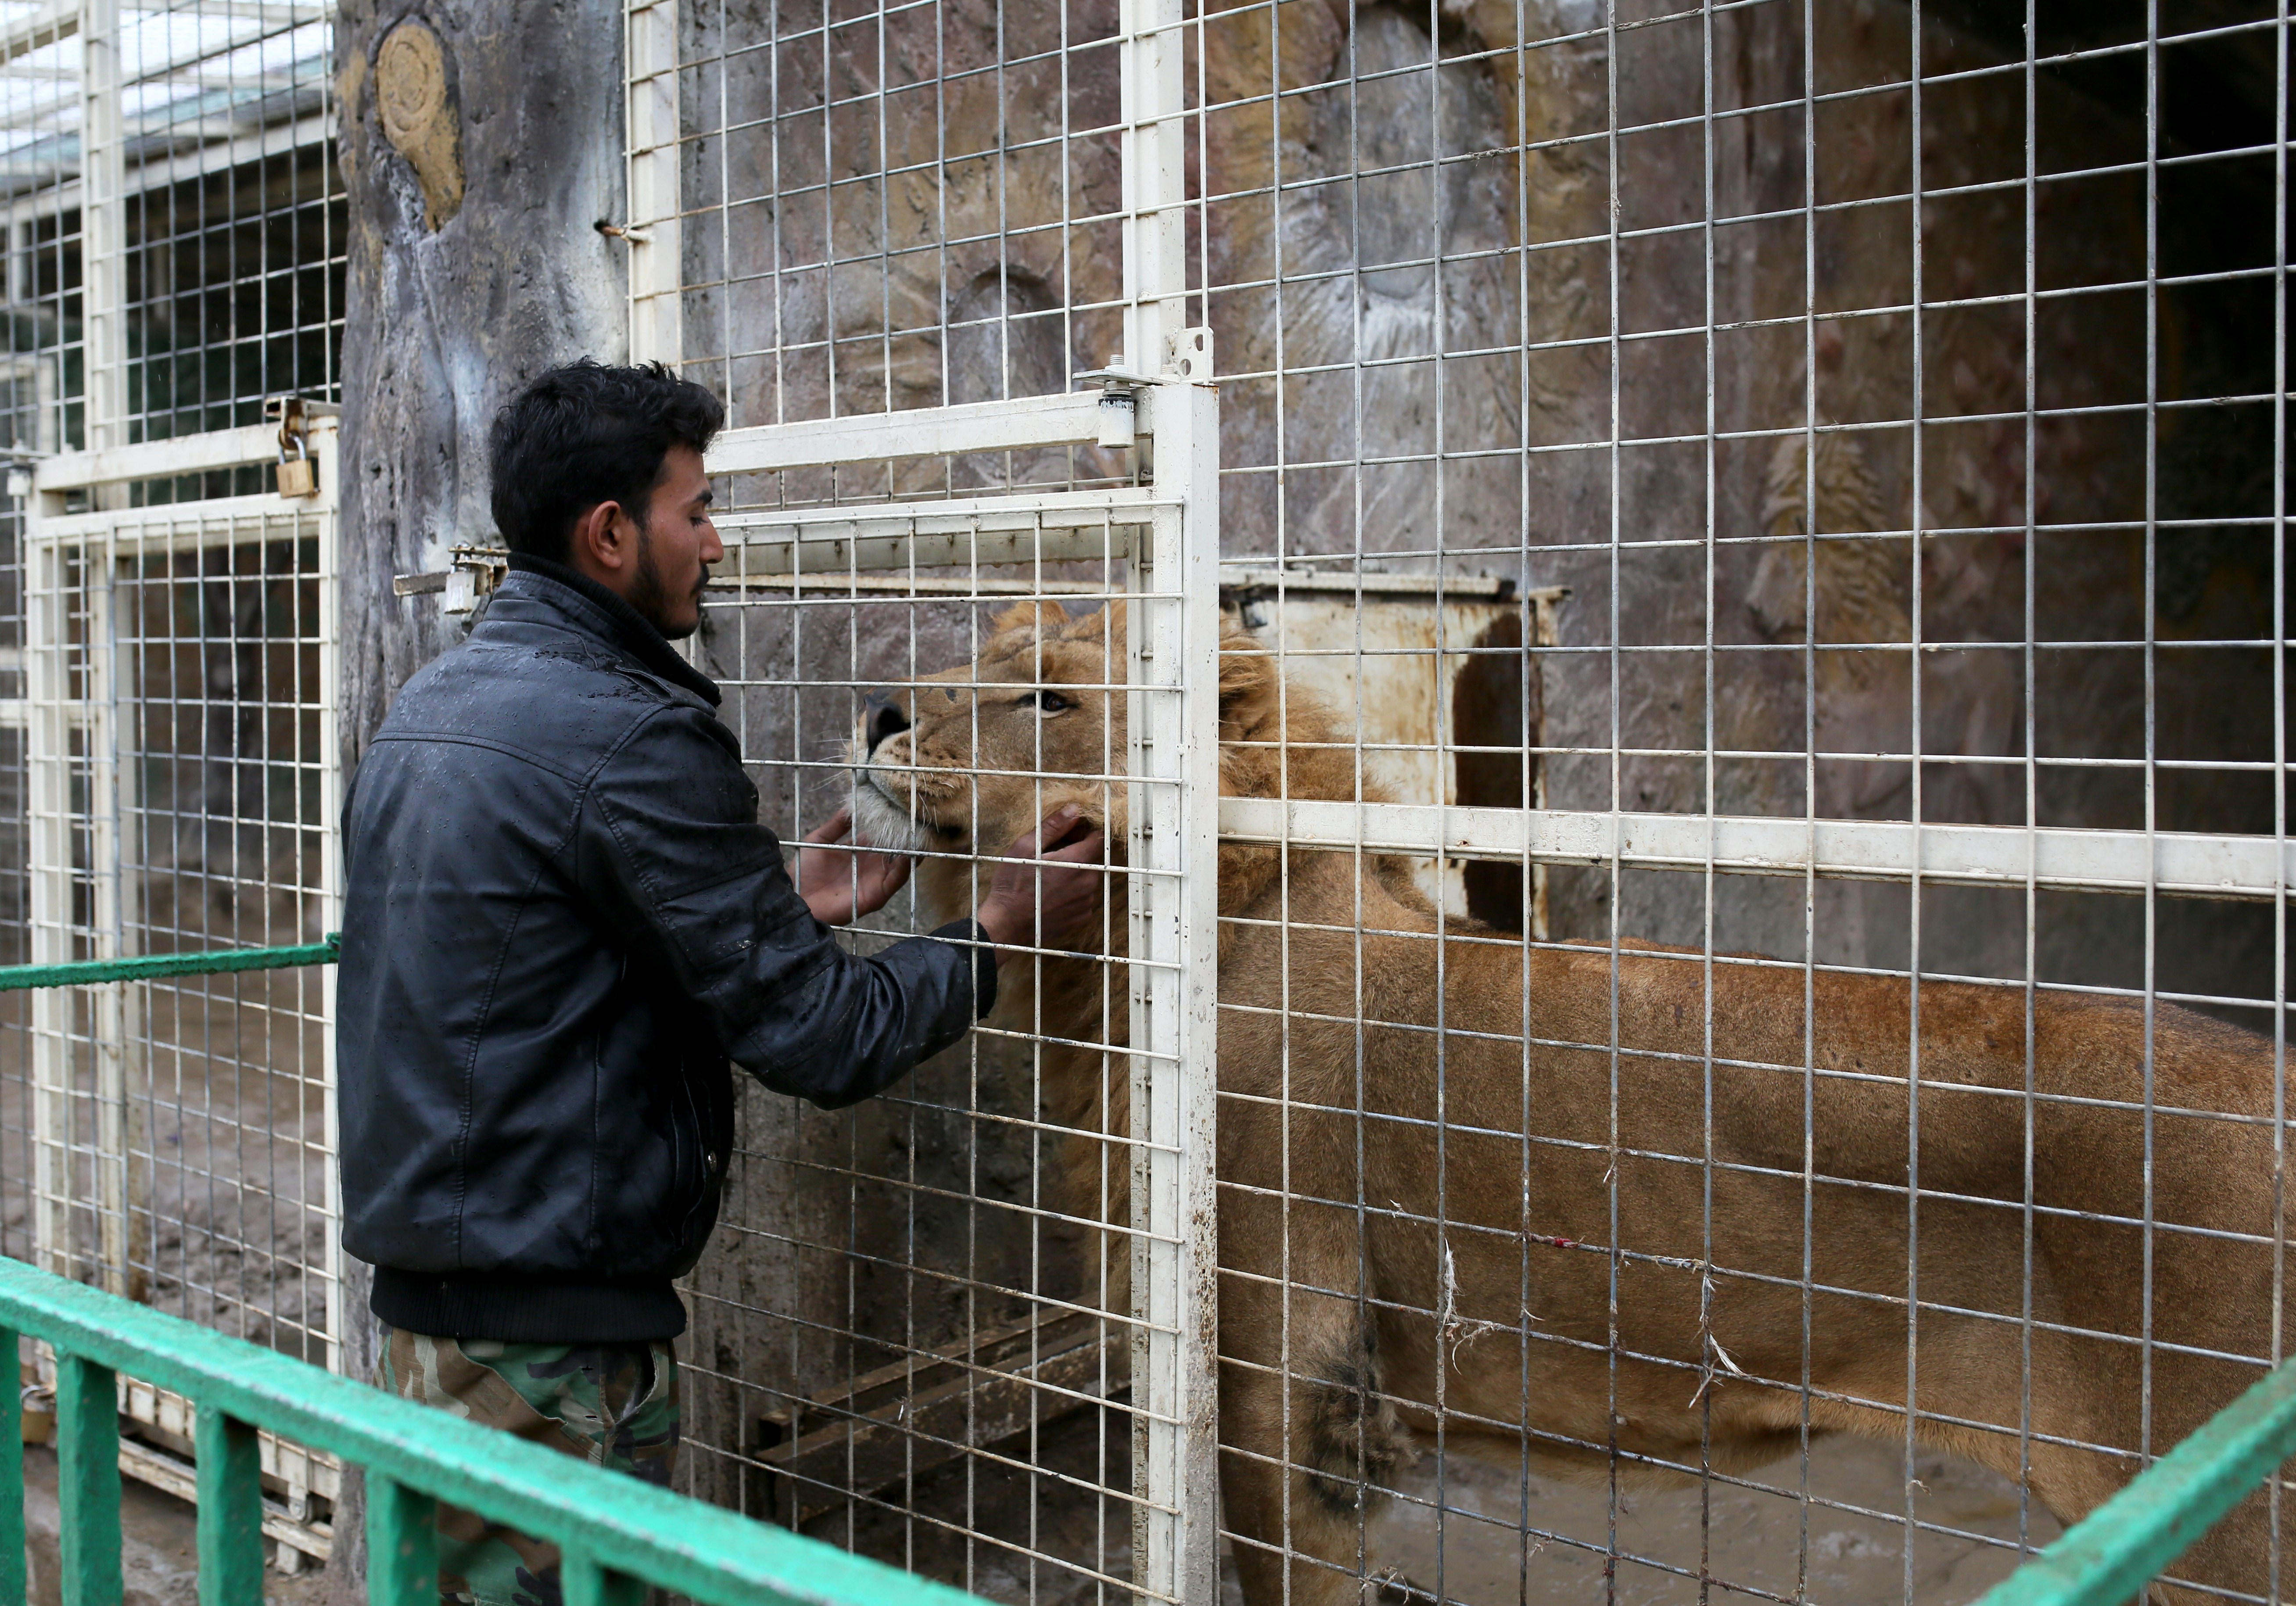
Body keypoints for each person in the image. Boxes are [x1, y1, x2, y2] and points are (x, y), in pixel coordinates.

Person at [335, 359, 1101, 1606]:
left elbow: (539, 965)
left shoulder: (434, 708)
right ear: (609, 533)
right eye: (694, 510)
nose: (717, 541)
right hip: (552, 1346)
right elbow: (824, 1040)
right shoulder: (629, 733)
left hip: (442, 1311)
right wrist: (1001, 932)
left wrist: (781, 909)